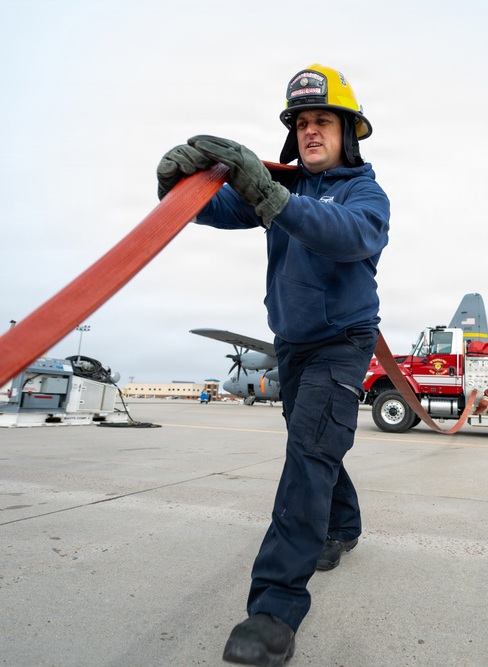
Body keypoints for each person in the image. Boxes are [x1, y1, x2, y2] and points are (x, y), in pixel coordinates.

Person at [155, 64, 390, 666]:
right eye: (302, 122)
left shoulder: (364, 194)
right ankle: (342, 528)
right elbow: (216, 208)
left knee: (308, 454)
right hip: (292, 341)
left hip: (343, 340)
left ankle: (274, 611)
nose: (311, 132)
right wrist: (178, 189)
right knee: (313, 443)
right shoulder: (280, 191)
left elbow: (349, 237)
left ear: (348, 132)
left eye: (323, 121)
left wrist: (273, 197)